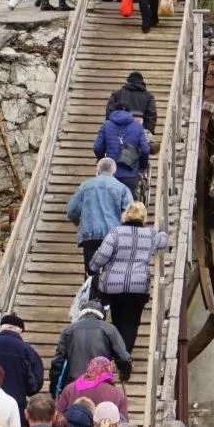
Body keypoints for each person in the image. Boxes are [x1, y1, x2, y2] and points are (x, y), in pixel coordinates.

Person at [90, 201, 171, 352]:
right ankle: (125, 356)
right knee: (132, 322)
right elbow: (165, 240)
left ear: (126, 216)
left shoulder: (115, 233)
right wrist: (162, 233)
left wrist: (92, 268)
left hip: (113, 286)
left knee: (117, 320)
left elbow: (102, 255)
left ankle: (118, 351)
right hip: (138, 286)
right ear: (143, 218)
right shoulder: (151, 235)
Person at [67, 157, 134, 271]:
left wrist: (80, 224)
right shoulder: (122, 188)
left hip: (89, 235)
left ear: (97, 170)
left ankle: (92, 282)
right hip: (113, 236)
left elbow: (71, 211)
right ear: (114, 171)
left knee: (91, 272)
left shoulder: (85, 186)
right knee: (112, 271)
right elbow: (130, 214)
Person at [54, 303, 131, 391]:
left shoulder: (68, 330)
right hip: (101, 384)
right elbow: (124, 358)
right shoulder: (109, 329)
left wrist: (53, 388)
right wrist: (124, 375)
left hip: (74, 384)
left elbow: (57, 362)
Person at [58, 355, 130, 425]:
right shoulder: (117, 394)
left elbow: (58, 417)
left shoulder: (70, 389)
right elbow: (124, 424)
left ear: (90, 367)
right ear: (109, 369)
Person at [93, 108, 150, 195]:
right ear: (129, 113)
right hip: (131, 173)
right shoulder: (138, 127)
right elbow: (145, 150)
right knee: (129, 204)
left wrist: (102, 160)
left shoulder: (106, 125)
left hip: (110, 173)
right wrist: (142, 166)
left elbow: (97, 148)